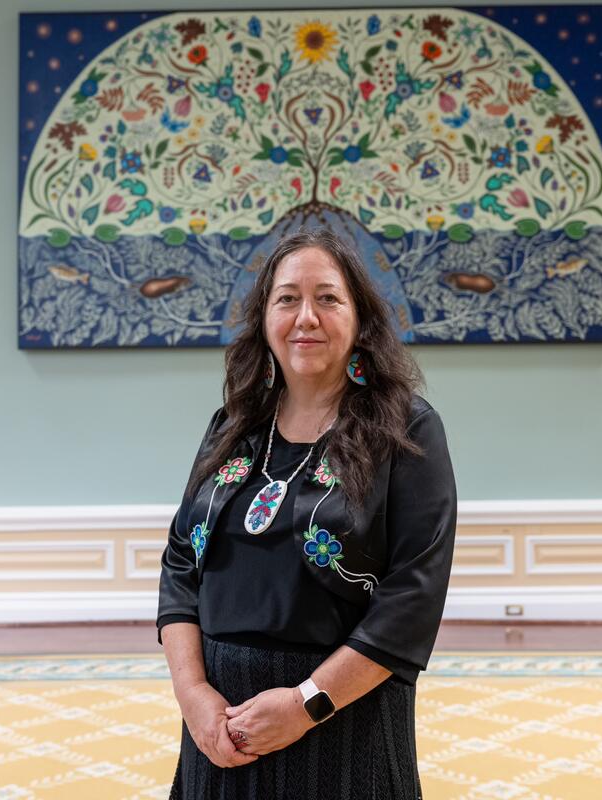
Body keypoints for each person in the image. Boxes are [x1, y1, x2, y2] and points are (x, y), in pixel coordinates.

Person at [157, 228, 458, 799]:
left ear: (361, 319)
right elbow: (179, 566)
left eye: (328, 298)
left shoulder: (408, 430)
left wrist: (304, 704)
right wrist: (194, 696)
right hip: (221, 730)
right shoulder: (233, 426)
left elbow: (412, 598)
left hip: (344, 723)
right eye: (287, 298)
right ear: (265, 317)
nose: (306, 317)